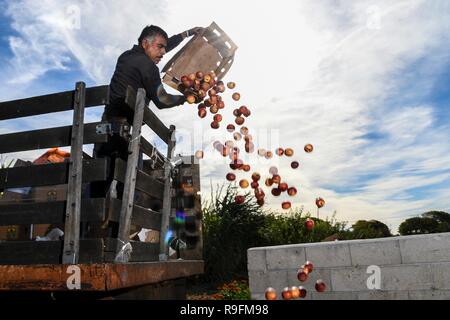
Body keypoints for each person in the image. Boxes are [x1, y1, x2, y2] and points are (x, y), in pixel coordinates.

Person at [91, 25, 203, 201]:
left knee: (98, 183)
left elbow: (160, 46)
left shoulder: (127, 56)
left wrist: (186, 34)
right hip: (125, 133)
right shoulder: (148, 66)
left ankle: (91, 221)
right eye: (160, 47)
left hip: (104, 127)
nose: (163, 52)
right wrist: (185, 98)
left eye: (164, 47)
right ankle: (118, 225)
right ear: (145, 44)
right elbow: (162, 100)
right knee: (126, 185)